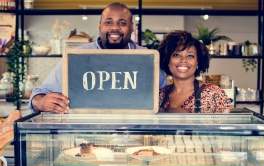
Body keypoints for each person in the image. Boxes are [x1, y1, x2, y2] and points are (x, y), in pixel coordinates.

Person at [29, 2, 168, 114]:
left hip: (135, 136)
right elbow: (37, 96)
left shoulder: (147, 59)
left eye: (122, 23)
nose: (115, 28)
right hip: (86, 137)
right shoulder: (76, 57)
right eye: (108, 22)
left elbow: (167, 97)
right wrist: (41, 102)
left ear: (131, 28)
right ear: (100, 26)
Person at [157, 30, 233, 113]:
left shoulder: (214, 94)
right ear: (167, 60)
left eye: (190, 56)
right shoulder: (159, 95)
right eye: (176, 55)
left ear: (197, 61)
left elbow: (227, 124)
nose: (183, 60)